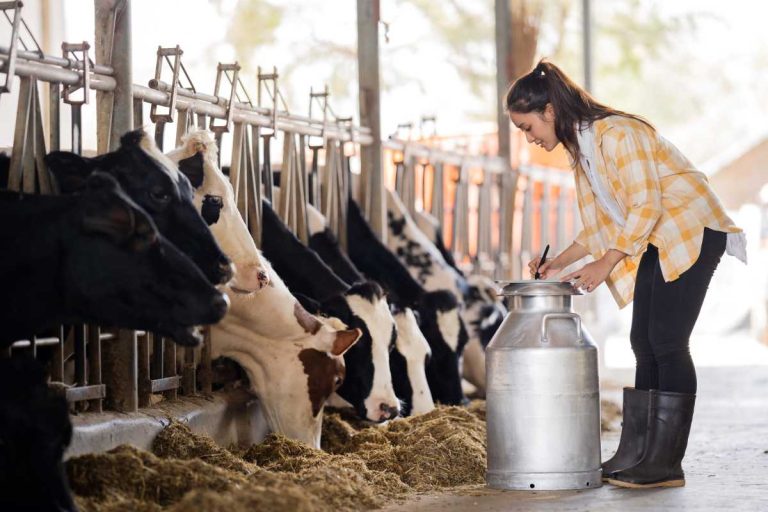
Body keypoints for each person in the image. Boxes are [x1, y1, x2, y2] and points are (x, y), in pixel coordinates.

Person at [506, 60, 746, 489]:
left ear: (548, 112)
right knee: (643, 341)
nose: (529, 139)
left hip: (691, 228)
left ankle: (665, 463)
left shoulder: (617, 134)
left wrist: (606, 262)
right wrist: (558, 262)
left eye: (527, 127)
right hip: (659, 236)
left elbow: (646, 204)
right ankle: (638, 451)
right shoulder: (582, 151)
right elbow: (601, 225)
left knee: (668, 342)